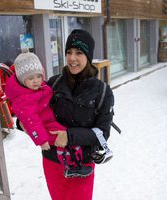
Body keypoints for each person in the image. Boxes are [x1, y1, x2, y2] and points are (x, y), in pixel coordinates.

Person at [41, 29, 114, 200]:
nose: (72, 58)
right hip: (53, 161)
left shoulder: (102, 91)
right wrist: (24, 122)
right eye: (69, 52)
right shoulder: (53, 84)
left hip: (82, 163)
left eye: (79, 53)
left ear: (88, 57)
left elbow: (102, 134)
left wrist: (70, 136)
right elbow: (36, 110)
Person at [4, 50, 95, 178]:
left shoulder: (37, 88)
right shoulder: (23, 100)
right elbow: (31, 121)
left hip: (50, 121)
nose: (36, 81)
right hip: (46, 127)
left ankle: (77, 161)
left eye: (39, 76)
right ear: (21, 79)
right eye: (30, 78)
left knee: (71, 136)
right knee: (68, 139)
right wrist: (41, 140)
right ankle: (73, 166)